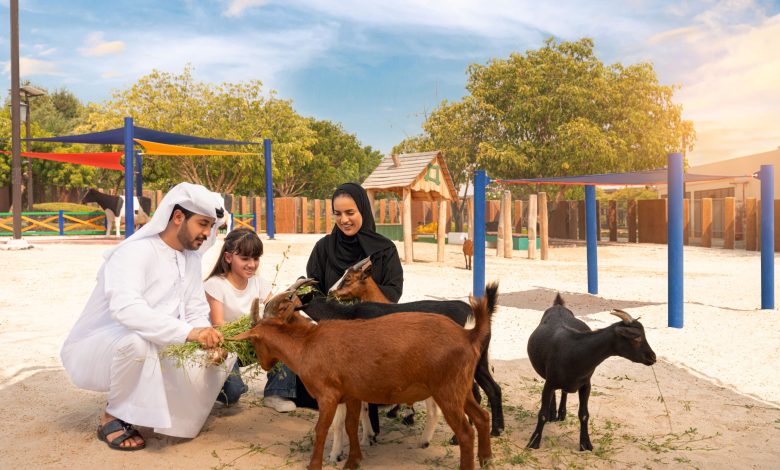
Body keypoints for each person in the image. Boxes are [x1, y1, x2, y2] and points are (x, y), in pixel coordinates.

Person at [60, 182, 231, 451]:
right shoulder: (134, 253)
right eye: (203, 224)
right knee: (139, 343)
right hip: (104, 346)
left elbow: (196, 309)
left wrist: (206, 337)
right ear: (177, 217)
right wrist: (190, 333)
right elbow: (127, 310)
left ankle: (153, 407)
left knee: (225, 373)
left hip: (160, 340)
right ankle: (113, 416)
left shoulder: (190, 259)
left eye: (211, 226)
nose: (207, 233)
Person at [263, 182, 403, 412]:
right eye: (337, 214)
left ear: (363, 211)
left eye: (350, 212)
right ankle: (279, 390)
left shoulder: (384, 250)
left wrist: (359, 293)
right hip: (330, 324)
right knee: (285, 320)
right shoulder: (324, 247)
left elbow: (394, 291)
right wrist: (301, 298)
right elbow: (313, 285)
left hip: (370, 325)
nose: (344, 220)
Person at [204, 228, 272, 405]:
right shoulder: (215, 284)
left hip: (253, 343)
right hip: (228, 345)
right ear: (228, 257)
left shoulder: (260, 283)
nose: (252, 264)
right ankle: (223, 388)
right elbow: (219, 324)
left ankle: (278, 391)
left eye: (256, 258)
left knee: (284, 337)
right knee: (232, 395)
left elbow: (274, 314)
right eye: (245, 258)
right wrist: (253, 331)